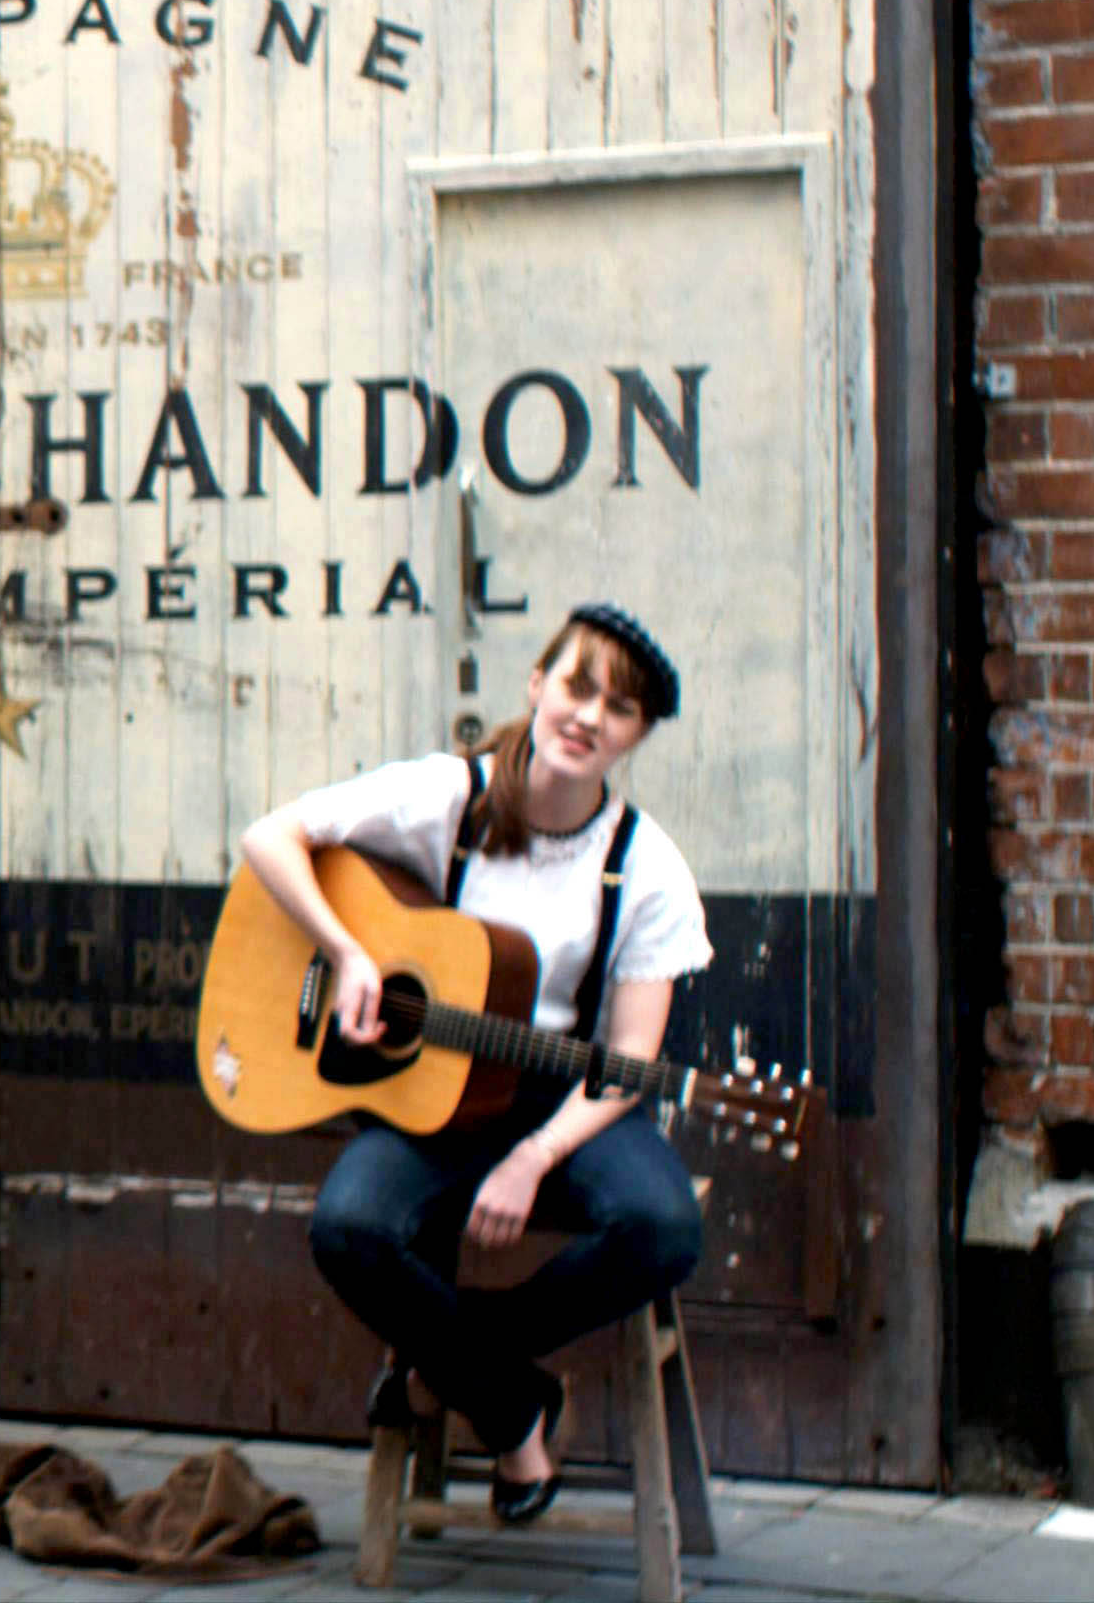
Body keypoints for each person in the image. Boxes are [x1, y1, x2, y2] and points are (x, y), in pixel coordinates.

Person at [234, 602, 709, 1524]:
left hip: (567, 1097)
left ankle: (446, 1366)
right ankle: (510, 1405)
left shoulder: (647, 869)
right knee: (350, 1230)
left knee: (663, 1229)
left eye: (616, 707)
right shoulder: (446, 795)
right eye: (575, 685)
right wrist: (347, 951)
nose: (586, 715)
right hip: (438, 1098)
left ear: (635, 736)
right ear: (536, 685)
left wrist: (534, 1158)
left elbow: (630, 1057)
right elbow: (270, 839)